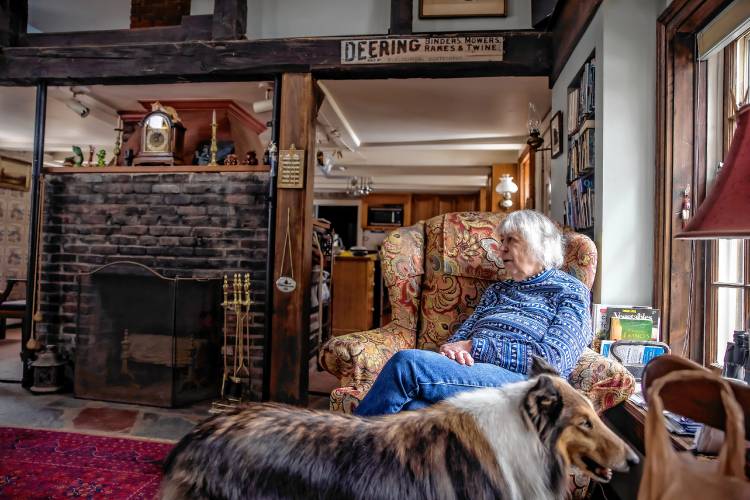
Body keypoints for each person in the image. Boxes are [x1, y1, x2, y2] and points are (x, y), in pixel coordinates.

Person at [355, 210, 592, 416]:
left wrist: (475, 348)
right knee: (413, 408)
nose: (502, 250)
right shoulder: (498, 290)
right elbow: (461, 338)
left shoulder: (569, 290)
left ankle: (342, 449)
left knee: (407, 364)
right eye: (502, 241)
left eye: (511, 241)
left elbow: (555, 360)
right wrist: (452, 350)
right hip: (475, 372)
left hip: (529, 382)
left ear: (538, 244)